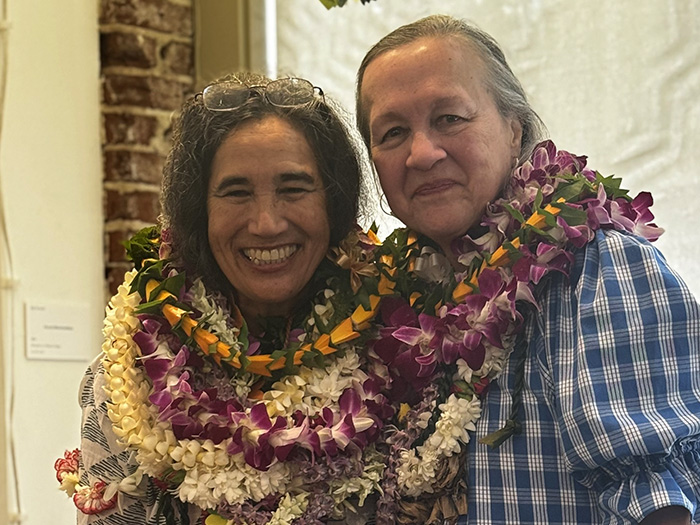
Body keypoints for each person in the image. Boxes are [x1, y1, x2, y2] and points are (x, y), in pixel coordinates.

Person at [355, 14, 700, 525]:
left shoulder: (596, 265)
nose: (422, 153)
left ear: (515, 130)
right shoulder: (408, 303)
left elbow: (660, 505)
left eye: (450, 117)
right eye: (392, 132)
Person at [54, 72, 387, 524]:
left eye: (294, 189)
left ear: (335, 205)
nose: (267, 223)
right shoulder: (127, 380)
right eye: (236, 192)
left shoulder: (398, 352)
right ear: (199, 214)